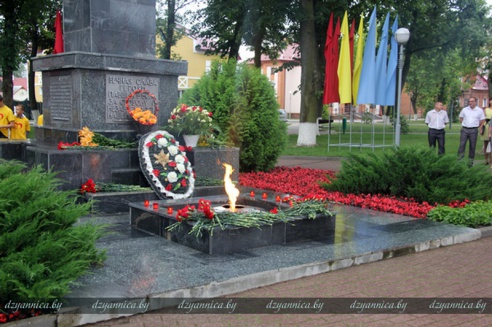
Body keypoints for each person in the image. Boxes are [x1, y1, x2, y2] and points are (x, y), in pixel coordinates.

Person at [457, 97, 485, 166]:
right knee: (461, 146)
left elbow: (482, 120)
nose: (470, 103)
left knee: (472, 147)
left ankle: (470, 163)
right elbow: (461, 118)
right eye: (469, 101)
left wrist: (477, 126)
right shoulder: (465, 110)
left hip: (473, 130)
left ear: (475, 102)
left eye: (472, 101)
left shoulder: (479, 110)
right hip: (465, 129)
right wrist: (465, 124)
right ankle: (459, 162)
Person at [481, 100, 492, 164]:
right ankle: (486, 159)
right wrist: (481, 127)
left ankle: (491, 160)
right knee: (486, 143)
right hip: (487, 125)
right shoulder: (486, 109)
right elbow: (483, 119)